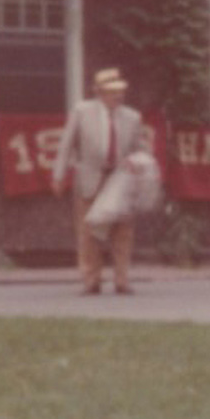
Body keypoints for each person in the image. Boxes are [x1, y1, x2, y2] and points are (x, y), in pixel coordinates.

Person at [50, 67, 153, 296]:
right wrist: (58, 175)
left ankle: (122, 280)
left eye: (120, 91)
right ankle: (91, 280)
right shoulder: (81, 111)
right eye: (112, 92)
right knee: (88, 231)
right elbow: (66, 145)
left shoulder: (132, 117)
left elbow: (141, 148)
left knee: (123, 230)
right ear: (98, 92)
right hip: (90, 178)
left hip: (120, 180)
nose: (118, 96)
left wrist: (139, 162)